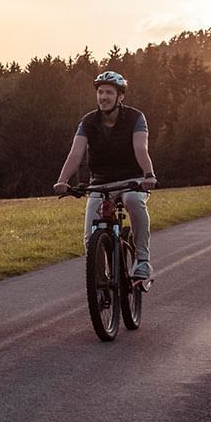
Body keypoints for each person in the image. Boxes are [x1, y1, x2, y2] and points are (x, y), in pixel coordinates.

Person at [53, 71, 157, 279]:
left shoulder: (135, 118)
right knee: (90, 236)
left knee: (135, 202)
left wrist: (148, 175)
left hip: (132, 180)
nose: (103, 97)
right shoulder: (88, 121)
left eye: (109, 92)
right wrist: (62, 180)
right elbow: (75, 154)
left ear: (120, 97)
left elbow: (140, 148)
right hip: (100, 183)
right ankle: (99, 283)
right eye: (100, 92)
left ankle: (142, 260)